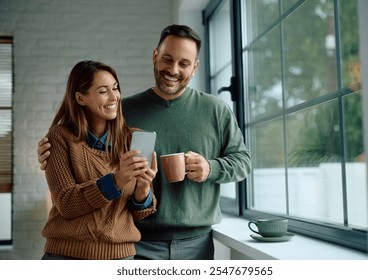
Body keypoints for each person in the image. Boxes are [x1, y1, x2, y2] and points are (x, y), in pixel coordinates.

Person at [38, 25, 251, 260]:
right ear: (155, 56)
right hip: (138, 243)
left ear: (195, 67)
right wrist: (51, 151)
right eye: (167, 59)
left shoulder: (216, 110)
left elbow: (243, 162)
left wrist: (211, 168)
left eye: (184, 63)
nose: (173, 69)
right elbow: (82, 141)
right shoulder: (121, 111)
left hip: (197, 243)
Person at [40, 60, 157, 260]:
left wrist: (144, 188)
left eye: (115, 88)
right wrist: (118, 179)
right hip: (67, 257)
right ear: (80, 98)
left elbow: (138, 213)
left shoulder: (132, 139)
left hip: (121, 258)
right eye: (103, 91)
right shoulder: (59, 137)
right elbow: (66, 204)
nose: (115, 97)